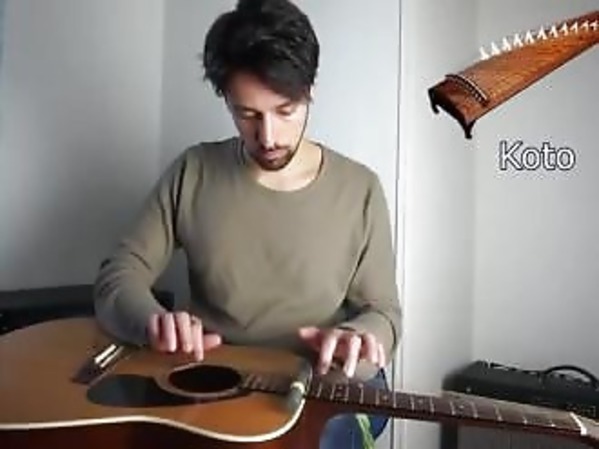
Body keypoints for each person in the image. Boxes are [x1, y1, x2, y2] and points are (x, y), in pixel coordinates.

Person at [93, 0, 402, 447]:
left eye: (285, 110)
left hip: (316, 382)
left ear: (310, 90)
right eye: (247, 114)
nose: (268, 137)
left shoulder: (360, 189)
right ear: (226, 99)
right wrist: (152, 322)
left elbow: (385, 313)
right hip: (216, 381)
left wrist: (360, 337)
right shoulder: (194, 171)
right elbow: (118, 275)